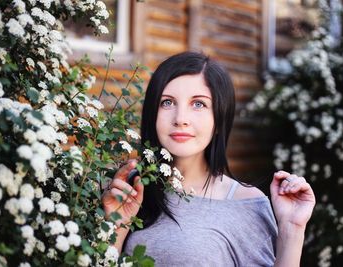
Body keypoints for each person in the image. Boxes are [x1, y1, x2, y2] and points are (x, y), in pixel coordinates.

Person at [102, 52, 316, 266]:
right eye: (167, 102)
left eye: (198, 104)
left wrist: (292, 229)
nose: (181, 119)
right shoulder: (124, 191)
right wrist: (116, 226)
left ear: (219, 119)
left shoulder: (244, 204)